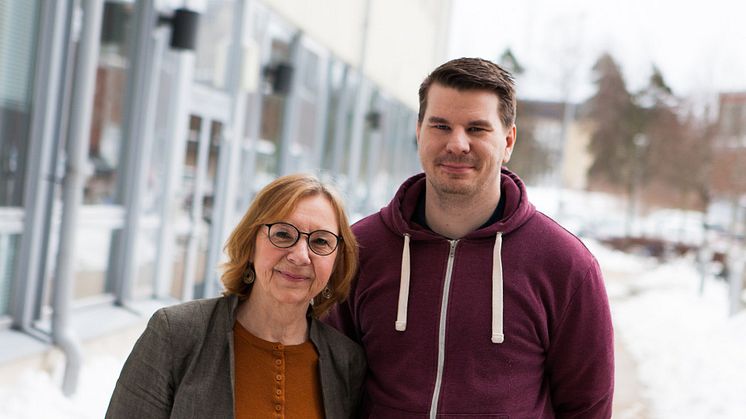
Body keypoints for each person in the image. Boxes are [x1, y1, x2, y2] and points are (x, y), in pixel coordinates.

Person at [326, 57, 614, 418]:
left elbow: (587, 407)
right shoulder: (360, 249)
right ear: (419, 132)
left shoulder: (566, 264)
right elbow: (329, 387)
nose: (457, 143)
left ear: (508, 140)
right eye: (441, 126)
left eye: (477, 129)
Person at [107, 174, 366, 419]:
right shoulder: (177, 333)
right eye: (283, 234)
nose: (300, 255)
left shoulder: (346, 362)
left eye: (320, 242)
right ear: (251, 244)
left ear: (336, 259)